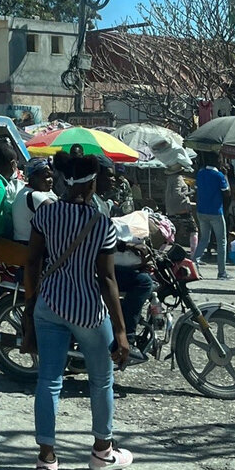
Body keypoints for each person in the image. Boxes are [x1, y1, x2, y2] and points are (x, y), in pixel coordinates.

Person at [23, 155, 132, 470]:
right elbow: (108, 279)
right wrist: (122, 332)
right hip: (87, 310)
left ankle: (46, 463)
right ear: (90, 183)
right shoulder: (101, 223)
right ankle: (102, 452)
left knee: (49, 381)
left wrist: (29, 312)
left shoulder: (45, 214)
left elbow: (32, 263)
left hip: (49, 305)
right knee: (101, 381)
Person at [94, 154, 153, 361]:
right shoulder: (92, 203)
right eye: (108, 175)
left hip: (101, 259)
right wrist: (126, 245)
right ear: (96, 176)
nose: (113, 180)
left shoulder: (101, 201)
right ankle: (126, 336)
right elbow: (98, 237)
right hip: (95, 266)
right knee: (143, 282)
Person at [193, 152, 231, 280]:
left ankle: (194, 264)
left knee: (204, 239)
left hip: (201, 211)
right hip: (216, 212)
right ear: (217, 162)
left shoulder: (200, 173)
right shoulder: (219, 175)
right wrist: (225, 175)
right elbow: (227, 193)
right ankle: (222, 272)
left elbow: (197, 190)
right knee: (221, 242)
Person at [11, 158, 57, 244]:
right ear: (33, 177)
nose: (51, 180)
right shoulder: (35, 196)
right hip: (30, 247)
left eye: (51, 176)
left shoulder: (23, 192)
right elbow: (59, 212)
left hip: (20, 246)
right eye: (46, 176)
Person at [165, 165, 197, 256]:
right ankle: (194, 254)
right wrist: (190, 192)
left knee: (171, 232)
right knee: (193, 230)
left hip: (171, 210)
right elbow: (178, 195)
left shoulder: (170, 179)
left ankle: (163, 251)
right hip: (181, 209)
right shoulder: (178, 179)